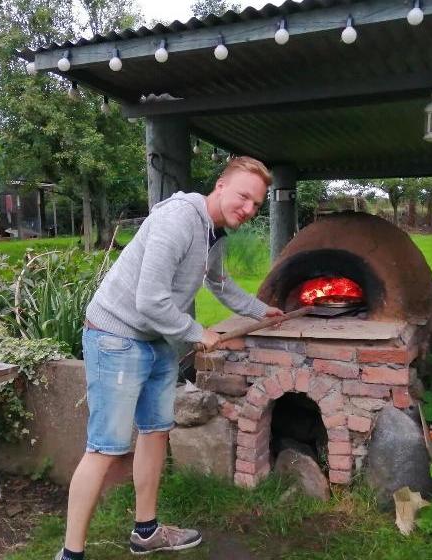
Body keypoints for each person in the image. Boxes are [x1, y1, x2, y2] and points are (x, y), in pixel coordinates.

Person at [56, 156, 283, 559]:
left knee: (156, 431)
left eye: (256, 204)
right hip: (117, 336)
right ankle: (71, 554)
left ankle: (146, 532)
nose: (248, 209)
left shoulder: (215, 233)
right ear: (220, 185)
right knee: (106, 448)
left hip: (157, 339)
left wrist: (259, 310)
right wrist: (199, 333)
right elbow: (149, 300)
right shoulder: (179, 219)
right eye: (244, 197)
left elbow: (218, 282)